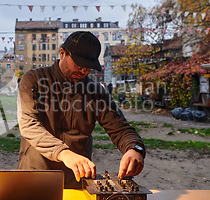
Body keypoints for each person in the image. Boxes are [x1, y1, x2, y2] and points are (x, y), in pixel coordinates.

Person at [17, 31, 145, 188]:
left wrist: (134, 148)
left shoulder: (96, 92)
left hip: (76, 180)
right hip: (35, 174)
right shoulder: (33, 80)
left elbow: (121, 129)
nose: (84, 71)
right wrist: (64, 153)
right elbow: (29, 125)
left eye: (88, 67)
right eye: (79, 65)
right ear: (62, 53)